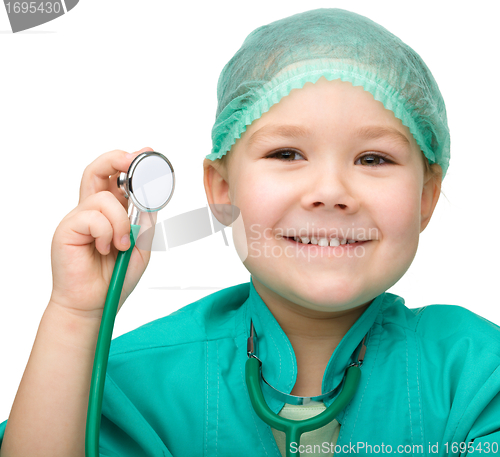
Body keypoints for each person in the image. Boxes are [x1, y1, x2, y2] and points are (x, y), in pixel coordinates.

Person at [1, 8, 499, 457]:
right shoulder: (129, 386)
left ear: (426, 197)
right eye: (286, 154)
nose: (329, 191)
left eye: (374, 158)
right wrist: (77, 314)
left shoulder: (479, 375)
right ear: (221, 189)